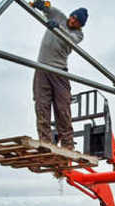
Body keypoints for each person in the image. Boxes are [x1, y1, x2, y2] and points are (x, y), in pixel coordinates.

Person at [31, 0, 88, 150]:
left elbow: (70, 39)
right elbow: (49, 8)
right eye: (73, 16)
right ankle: (45, 142)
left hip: (59, 72)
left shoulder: (78, 34)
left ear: (80, 25)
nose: (73, 20)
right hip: (41, 68)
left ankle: (68, 146)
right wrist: (41, 5)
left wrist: (59, 28)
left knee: (62, 109)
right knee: (41, 106)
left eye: (77, 21)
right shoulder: (60, 16)